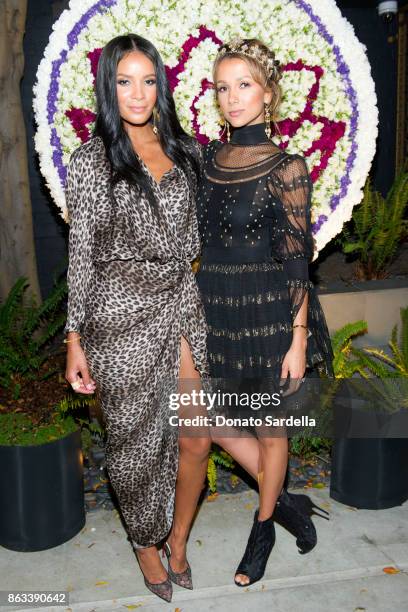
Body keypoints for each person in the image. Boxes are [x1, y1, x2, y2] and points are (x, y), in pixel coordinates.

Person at [64, 34, 211, 602]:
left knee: (195, 437)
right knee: (132, 445)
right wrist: (75, 338)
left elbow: (204, 235)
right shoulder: (91, 159)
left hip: (179, 303)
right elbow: (81, 253)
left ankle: (177, 540)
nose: (137, 93)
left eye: (148, 80)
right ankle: (145, 546)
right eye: (124, 81)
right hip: (117, 316)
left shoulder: (187, 150)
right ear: (108, 85)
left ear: (161, 85)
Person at [196, 38, 334, 587]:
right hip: (216, 311)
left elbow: (298, 262)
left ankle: (263, 528)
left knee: (271, 431)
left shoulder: (288, 167)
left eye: (245, 85)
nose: (233, 98)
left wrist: (297, 339)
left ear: (269, 93)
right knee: (209, 420)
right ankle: (289, 504)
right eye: (224, 87)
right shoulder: (205, 159)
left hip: (272, 316)